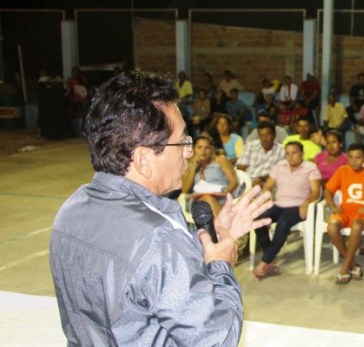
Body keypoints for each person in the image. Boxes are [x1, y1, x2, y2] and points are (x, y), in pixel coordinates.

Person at [50, 70, 273, 345]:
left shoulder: (71, 211)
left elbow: (140, 274)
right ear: (144, 159)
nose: (189, 152)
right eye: (182, 142)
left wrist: (206, 237)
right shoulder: (159, 240)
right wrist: (221, 266)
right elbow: (218, 337)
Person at [253, 142, 322, 279]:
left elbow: (316, 191)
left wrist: (307, 202)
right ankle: (270, 256)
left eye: (294, 153)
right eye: (288, 153)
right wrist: (266, 197)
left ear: (302, 153)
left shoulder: (310, 168)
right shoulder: (280, 166)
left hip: (297, 206)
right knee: (258, 219)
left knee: (283, 224)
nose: (290, 157)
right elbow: (267, 186)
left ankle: (264, 262)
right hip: (278, 205)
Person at [324, 143, 364, 284]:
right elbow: (327, 190)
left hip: (361, 213)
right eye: (351, 157)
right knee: (331, 227)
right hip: (344, 211)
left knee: (356, 226)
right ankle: (353, 264)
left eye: (358, 157)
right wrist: (332, 205)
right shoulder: (342, 171)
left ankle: (344, 268)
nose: (354, 161)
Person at [181, 136, 239, 216]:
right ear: (194, 149)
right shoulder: (190, 165)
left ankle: (216, 226)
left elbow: (234, 182)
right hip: (197, 200)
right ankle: (220, 227)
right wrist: (194, 168)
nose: (203, 151)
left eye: (207, 148)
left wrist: (224, 193)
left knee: (210, 201)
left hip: (221, 197)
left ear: (211, 149)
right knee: (207, 198)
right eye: (199, 147)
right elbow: (184, 190)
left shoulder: (220, 161)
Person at [237, 121, 284, 186]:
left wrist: (262, 179)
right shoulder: (250, 146)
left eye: (268, 135)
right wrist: (249, 182)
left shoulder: (282, 150)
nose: (264, 139)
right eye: (261, 135)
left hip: (268, 184)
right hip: (248, 182)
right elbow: (241, 167)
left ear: (274, 135)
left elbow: (281, 173)